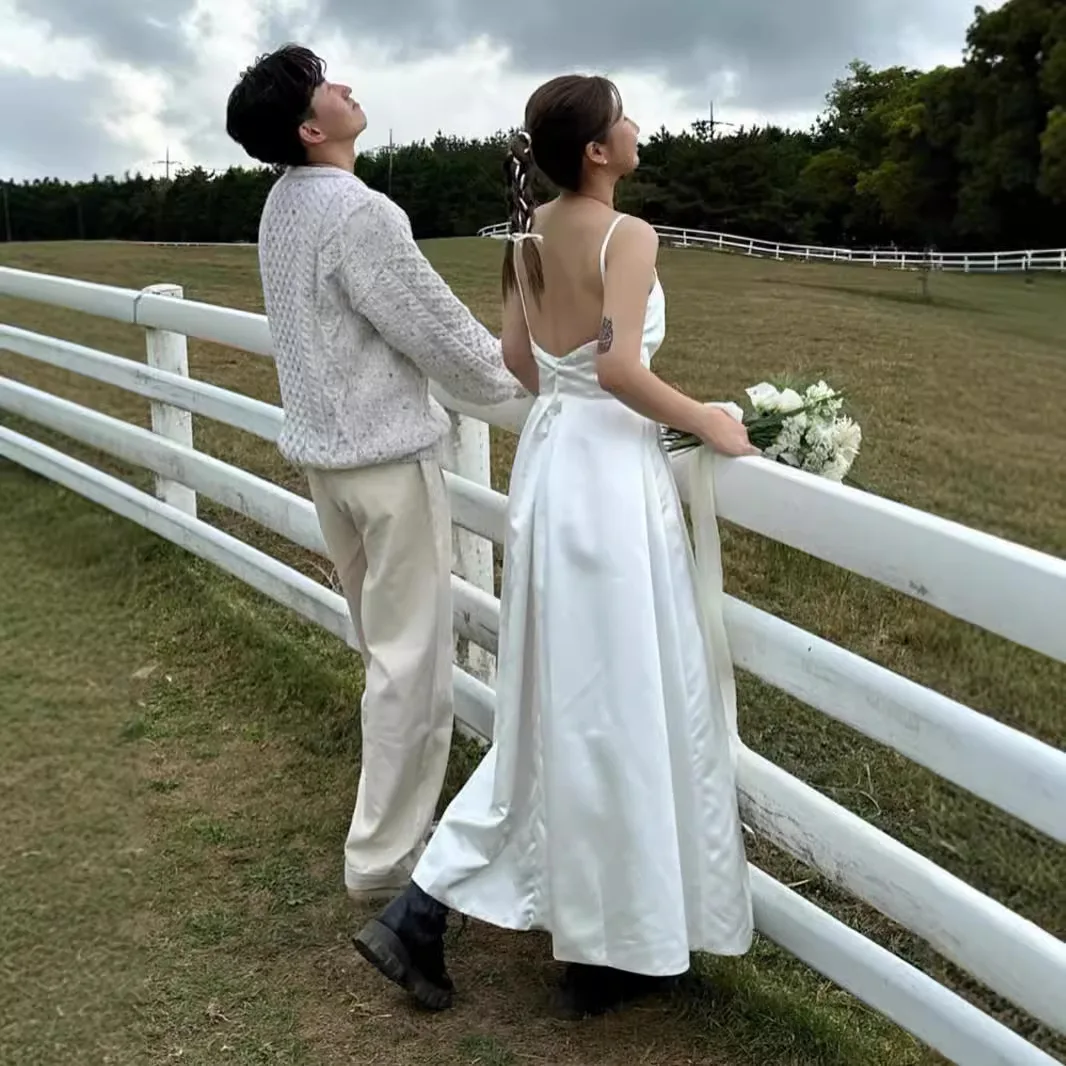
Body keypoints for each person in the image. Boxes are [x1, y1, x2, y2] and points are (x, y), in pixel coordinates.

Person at [353, 73, 757, 1017]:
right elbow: (618, 367)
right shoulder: (629, 235)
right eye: (623, 117)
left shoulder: (529, 235)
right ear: (596, 151)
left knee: (570, 698)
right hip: (610, 479)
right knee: (612, 697)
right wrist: (707, 418)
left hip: (550, 464)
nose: (637, 125)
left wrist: (579, 394)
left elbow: (519, 363)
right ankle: (540, 934)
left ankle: (591, 941)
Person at [224, 45, 524, 902]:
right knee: (411, 670)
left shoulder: (282, 204)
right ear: (312, 127)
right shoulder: (357, 213)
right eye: (328, 84)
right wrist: (521, 377)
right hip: (387, 468)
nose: (348, 86)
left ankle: (385, 844)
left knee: (383, 657)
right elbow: (444, 339)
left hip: (329, 468)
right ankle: (385, 864)